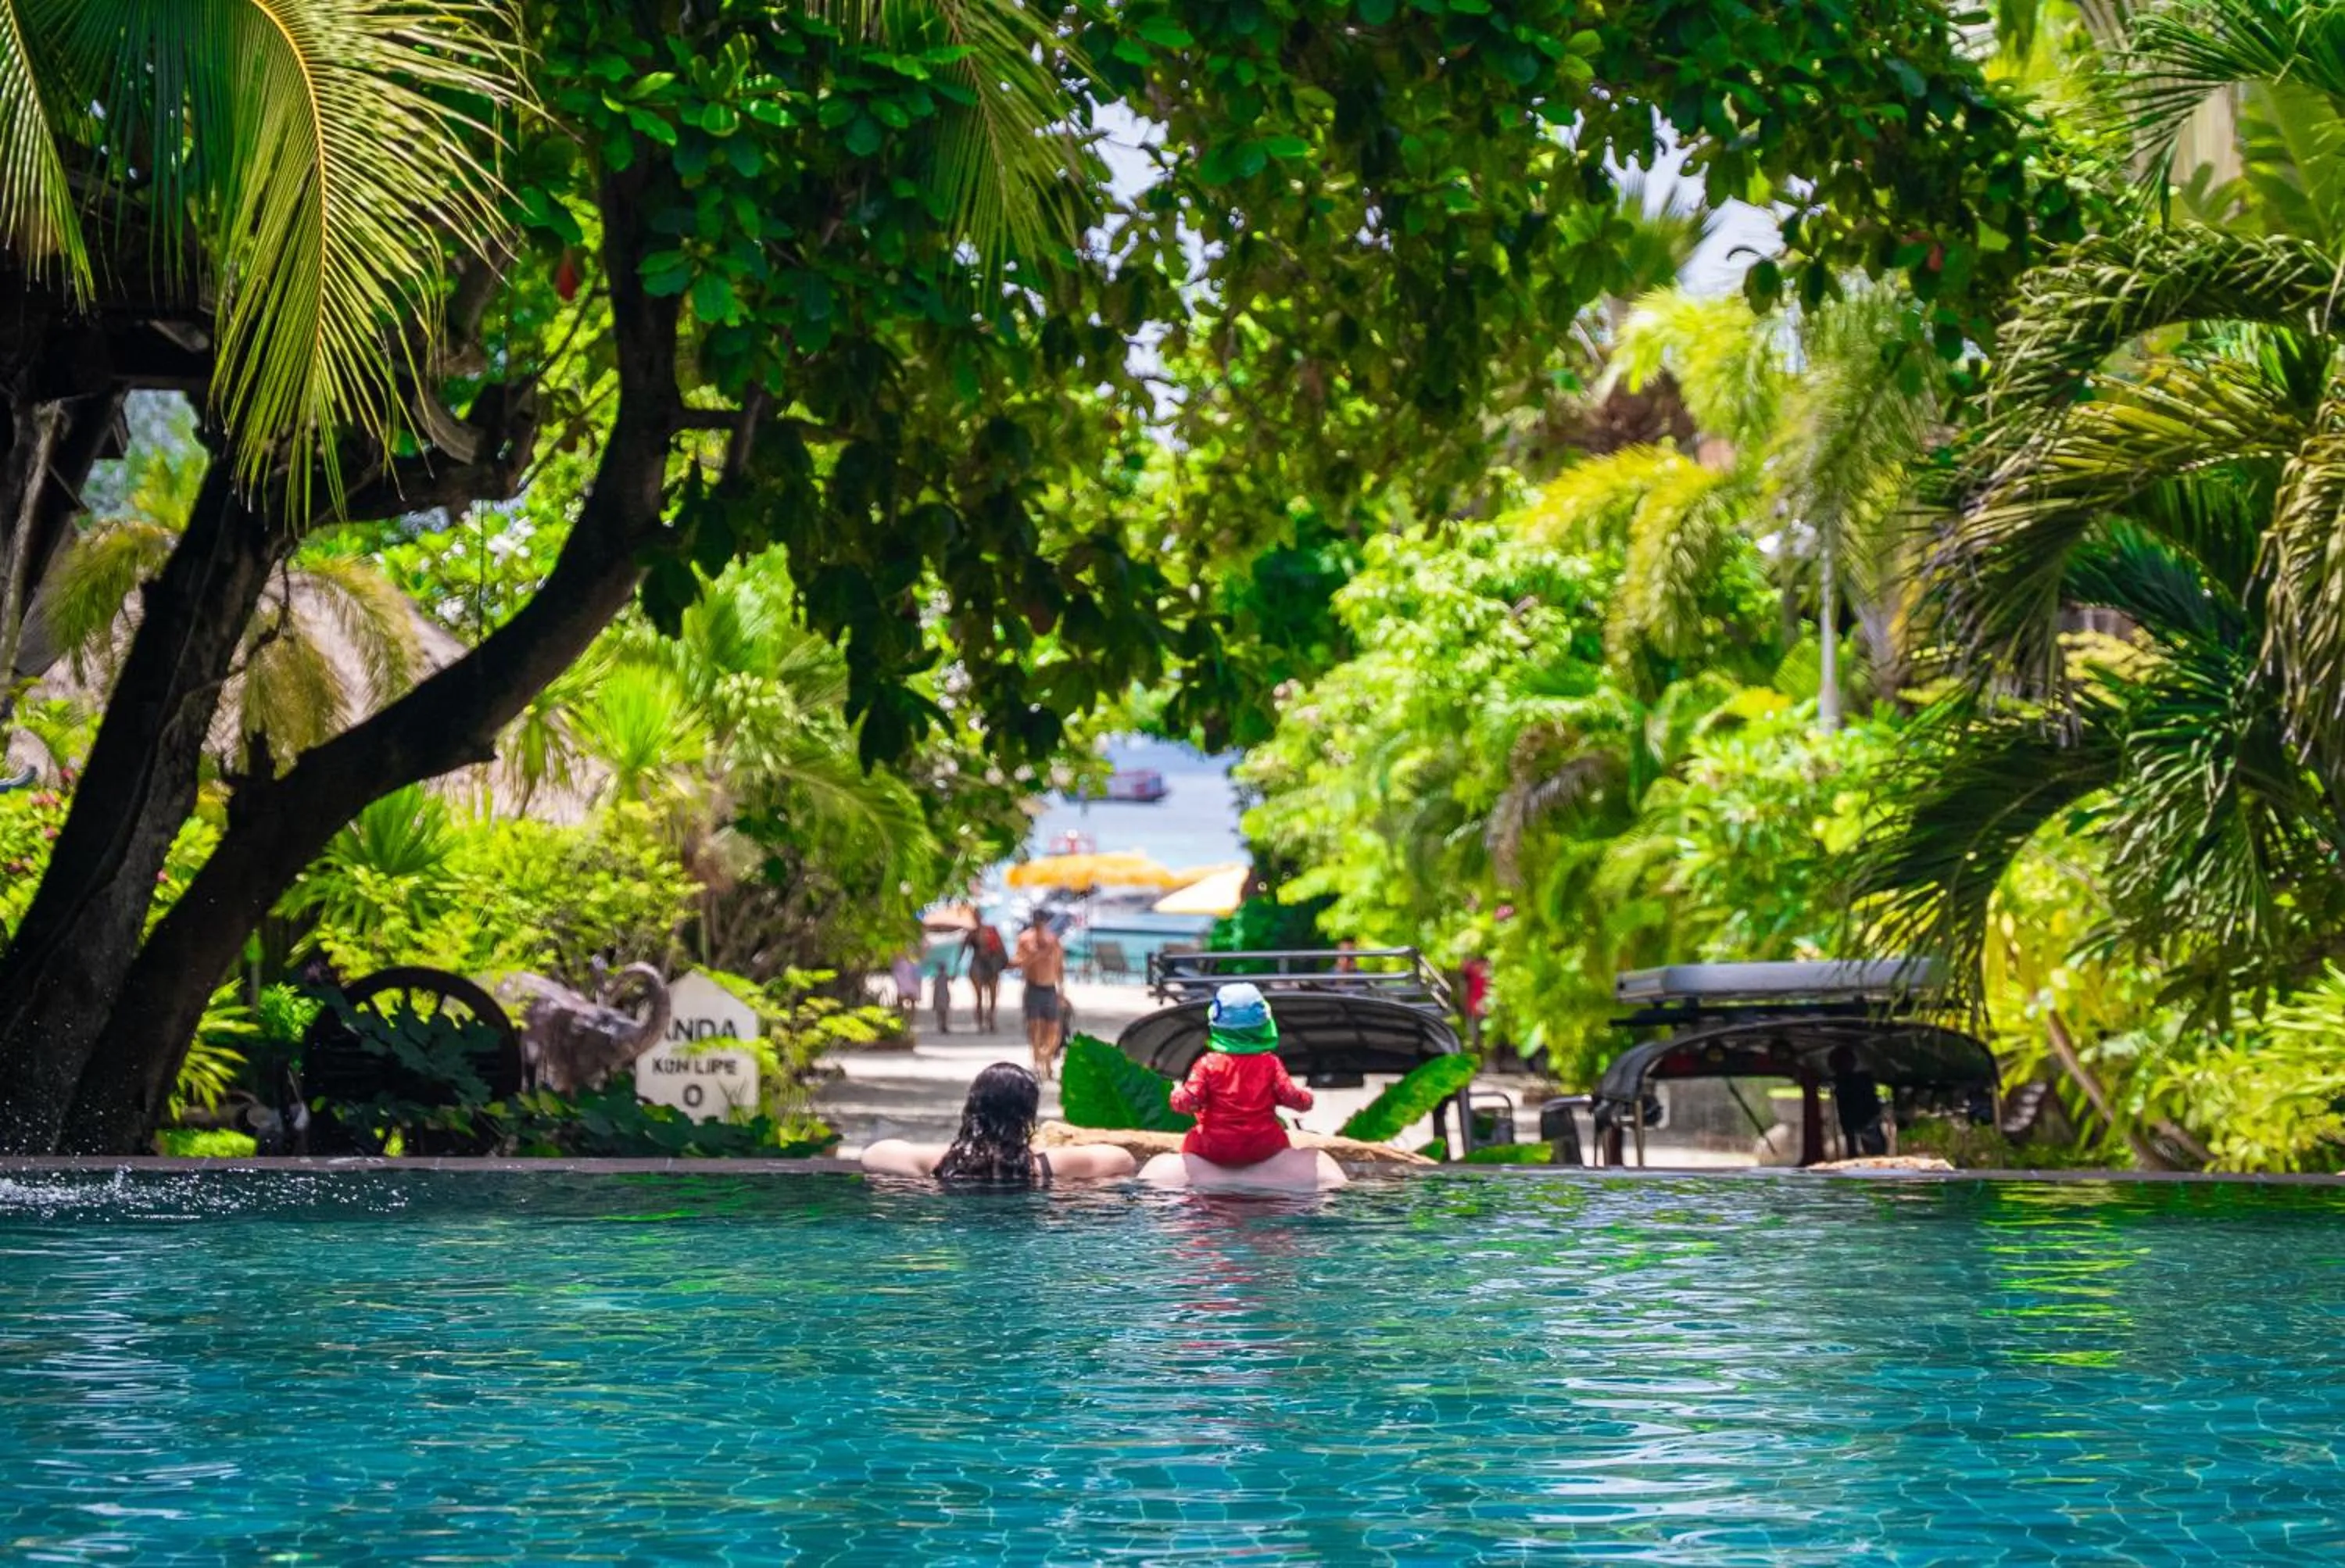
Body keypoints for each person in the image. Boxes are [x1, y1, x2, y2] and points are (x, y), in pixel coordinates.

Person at [1139, 983, 1347, 1192]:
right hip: (1264, 1146)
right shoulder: (1270, 1064)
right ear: (1264, 1025)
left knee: (1189, 1144)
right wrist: (1307, 1097)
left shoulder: (1208, 1063)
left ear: (1216, 1026)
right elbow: (1294, 1100)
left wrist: (1177, 1095)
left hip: (1212, 1147)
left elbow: (1187, 1102)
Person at [861, 1062, 1135, 1187]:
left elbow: (874, 1155)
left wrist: (946, 1154)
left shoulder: (940, 1163)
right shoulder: (1042, 1167)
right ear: (1027, 1114)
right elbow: (1123, 1160)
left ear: (972, 1107)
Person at [1010, 909, 1067, 1079]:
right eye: (1037, 922)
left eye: (1042, 922)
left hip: (1050, 988)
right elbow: (1016, 962)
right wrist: (1035, 956)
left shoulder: (1053, 940)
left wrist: (1062, 990)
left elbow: (1059, 965)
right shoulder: (1025, 939)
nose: (1040, 924)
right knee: (1035, 1028)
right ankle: (1037, 1063)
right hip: (1033, 987)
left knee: (1054, 1030)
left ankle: (1046, 1058)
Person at [961, 920, 1008, 1031]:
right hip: (981, 963)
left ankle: (989, 1019)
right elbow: (963, 947)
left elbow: (963, 949)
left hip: (989, 963)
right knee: (981, 996)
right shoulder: (974, 933)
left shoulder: (990, 931)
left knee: (989, 996)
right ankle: (983, 1021)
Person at [930, 965, 953, 1035]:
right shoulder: (944, 977)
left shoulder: (938, 977)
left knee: (941, 1013)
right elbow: (952, 979)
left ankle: (942, 1026)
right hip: (943, 996)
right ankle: (942, 1026)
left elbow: (935, 990)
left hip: (940, 996)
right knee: (943, 1013)